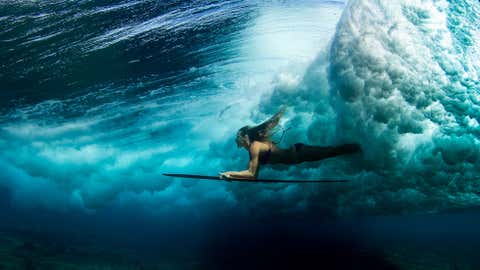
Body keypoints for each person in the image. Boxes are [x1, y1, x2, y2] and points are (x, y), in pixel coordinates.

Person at [219, 107, 361, 180]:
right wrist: (230, 176)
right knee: (331, 152)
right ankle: (355, 148)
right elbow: (250, 175)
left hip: (299, 152)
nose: (235, 139)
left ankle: (358, 146)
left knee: (331, 152)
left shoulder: (255, 147)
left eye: (237, 136)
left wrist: (229, 174)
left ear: (244, 136)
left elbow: (251, 174)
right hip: (298, 156)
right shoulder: (252, 150)